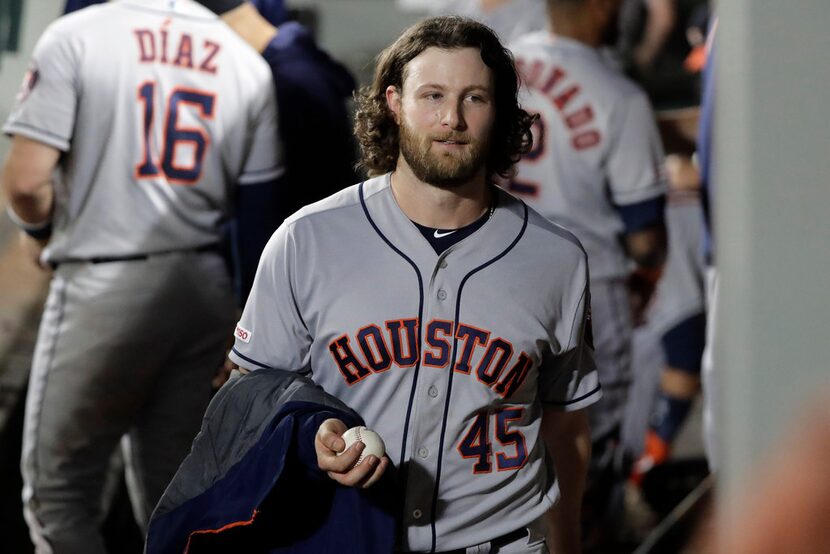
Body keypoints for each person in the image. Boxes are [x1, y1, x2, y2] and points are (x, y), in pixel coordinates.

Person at [229, 15, 601, 554]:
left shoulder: (557, 259)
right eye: (432, 95)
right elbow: (247, 401)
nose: (452, 118)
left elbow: (566, 428)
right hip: (345, 536)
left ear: (499, 114)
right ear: (394, 102)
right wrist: (310, 439)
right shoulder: (306, 239)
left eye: (475, 98)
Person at [0, 0, 281, 551]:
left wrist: (37, 236)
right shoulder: (246, 62)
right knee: (173, 496)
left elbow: (27, 185)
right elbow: (261, 216)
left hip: (106, 282)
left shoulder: (79, 33)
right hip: (204, 288)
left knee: (58, 494)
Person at [507, 0, 668, 544]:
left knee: (509, 441)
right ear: (602, 8)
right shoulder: (617, 93)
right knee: (587, 449)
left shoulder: (498, 63)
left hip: (498, 269)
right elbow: (645, 235)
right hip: (588, 287)